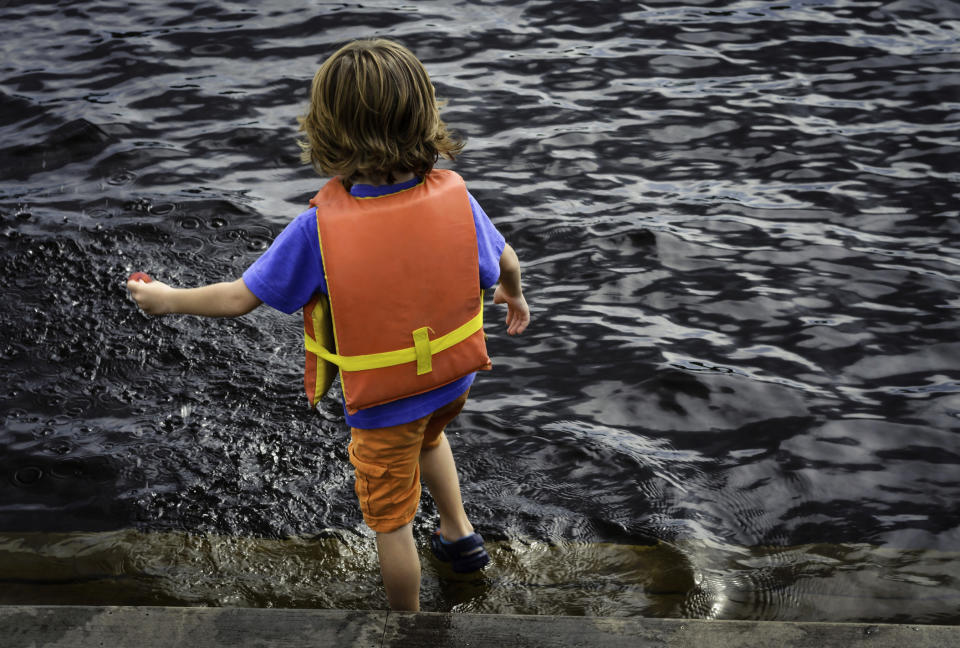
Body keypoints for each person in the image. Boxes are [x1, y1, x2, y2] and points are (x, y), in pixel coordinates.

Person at [126, 38, 530, 611]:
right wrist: (513, 298)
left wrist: (167, 299)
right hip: (451, 379)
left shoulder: (318, 230)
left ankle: (407, 625)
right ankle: (459, 534)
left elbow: (241, 298)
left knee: (390, 523)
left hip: (386, 403)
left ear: (327, 130)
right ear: (425, 115)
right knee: (431, 437)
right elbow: (506, 261)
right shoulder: (458, 200)